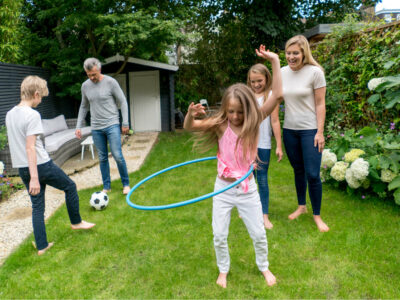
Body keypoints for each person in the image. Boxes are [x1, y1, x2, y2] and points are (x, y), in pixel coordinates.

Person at [184, 47, 282, 288]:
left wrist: (276, 61)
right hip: (224, 189)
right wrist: (189, 114)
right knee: (219, 235)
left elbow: (278, 94)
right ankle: (223, 270)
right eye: (231, 111)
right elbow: (190, 127)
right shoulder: (220, 125)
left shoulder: (254, 121)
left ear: (247, 109)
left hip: (247, 188)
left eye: (239, 111)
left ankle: (264, 266)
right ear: (225, 109)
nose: (236, 116)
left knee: (258, 234)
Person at [5, 76, 95, 256]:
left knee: (38, 206)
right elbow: (30, 147)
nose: (41, 101)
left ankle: (42, 246)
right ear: (36, 94)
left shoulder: (10, 114)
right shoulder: (32, 115)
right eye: (41, 97)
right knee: (70, 187)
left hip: (23, 168)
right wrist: (35, 178)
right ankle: (76, 222)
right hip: (40, 166)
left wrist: (31, 176)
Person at [281, 35, 329, 232]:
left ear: (304, 53)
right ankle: (302, 206)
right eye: (288, 53)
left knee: (312, 174)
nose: (291, 57)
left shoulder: (315, 72)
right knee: (298, 170)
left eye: (295, 53)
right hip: (289, 130)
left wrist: (320, 132)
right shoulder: (282, 72)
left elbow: (320, 104)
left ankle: (317, 215)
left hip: (310, 130)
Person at [75, 57, 130, 195]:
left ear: (99, 69)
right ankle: (107, 187)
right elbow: (83, 106)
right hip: (96, 127)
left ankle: (126, 184)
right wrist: (78, 126)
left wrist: (125, 123)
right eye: (89, 75)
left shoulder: (111, 82)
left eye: (94, 74)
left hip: (112, 124)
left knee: (117, 155)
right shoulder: (85, 86)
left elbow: (123, 101)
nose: (92, 77)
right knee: (103, 157)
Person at [247, 63, 283, 229]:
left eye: (259, 80)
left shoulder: (270, 96)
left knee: (261, 179)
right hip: (247, 144)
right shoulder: (246, 96)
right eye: (253, 81)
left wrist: (279, 145)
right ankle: (247, 210)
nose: (256, 84)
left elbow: (275, 121)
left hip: (263, 144)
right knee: (247, 178)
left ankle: (264, 215)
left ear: (266, 78)